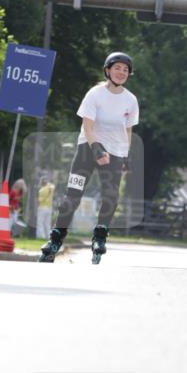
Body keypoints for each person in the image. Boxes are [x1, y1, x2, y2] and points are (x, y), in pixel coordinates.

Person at [39, 52, 139, 262]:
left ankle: (100, 237)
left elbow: (127, 131)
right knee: (72, 195)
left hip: (115, 153)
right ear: (107, 70)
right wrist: (96, 149)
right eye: (117, 68)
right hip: (88, 149)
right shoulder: (95, 94)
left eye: (125, 70)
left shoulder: (131, 100)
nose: (121, 72)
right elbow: (88, 124)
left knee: (111, 195)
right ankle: (56, 238)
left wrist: (126, 156)